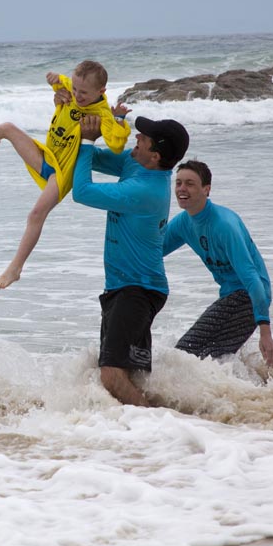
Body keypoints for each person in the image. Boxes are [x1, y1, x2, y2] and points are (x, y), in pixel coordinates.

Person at [0, 60, 130, 289]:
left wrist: (118, 119)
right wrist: (53, 78)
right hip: (45, 156)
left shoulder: (101, 113)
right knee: (7, 128)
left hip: (62, 173)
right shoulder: (71, 91)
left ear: (101, 91)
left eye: (83, 92)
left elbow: (116, 144)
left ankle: (15, 268)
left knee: (35, 214)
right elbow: (56, 80)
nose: (77, 95)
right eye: (74, 89)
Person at [72, 114, 189, 407]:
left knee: (111, 376)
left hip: (137, 290)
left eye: (143, 138)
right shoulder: (138, 162)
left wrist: (87, 140)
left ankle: (159, 425)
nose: (136, 138)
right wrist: (96, 125)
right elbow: (94, 159)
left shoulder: (146, 190)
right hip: (125, 287)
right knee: (131, 376)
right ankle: (145, 437)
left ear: (156, 156)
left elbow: (82, 192)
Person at [163, 159, 273, 366]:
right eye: (178, 182)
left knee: (183, 354)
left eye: (190, 183)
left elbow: (251, 278)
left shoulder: (224, 225)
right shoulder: (184, 222)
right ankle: (266, 391)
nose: (182, 188)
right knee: (213, 360)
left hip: (249, 296)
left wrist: (265, 332)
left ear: (206, 189)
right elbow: (155, 250)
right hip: (231, 296)